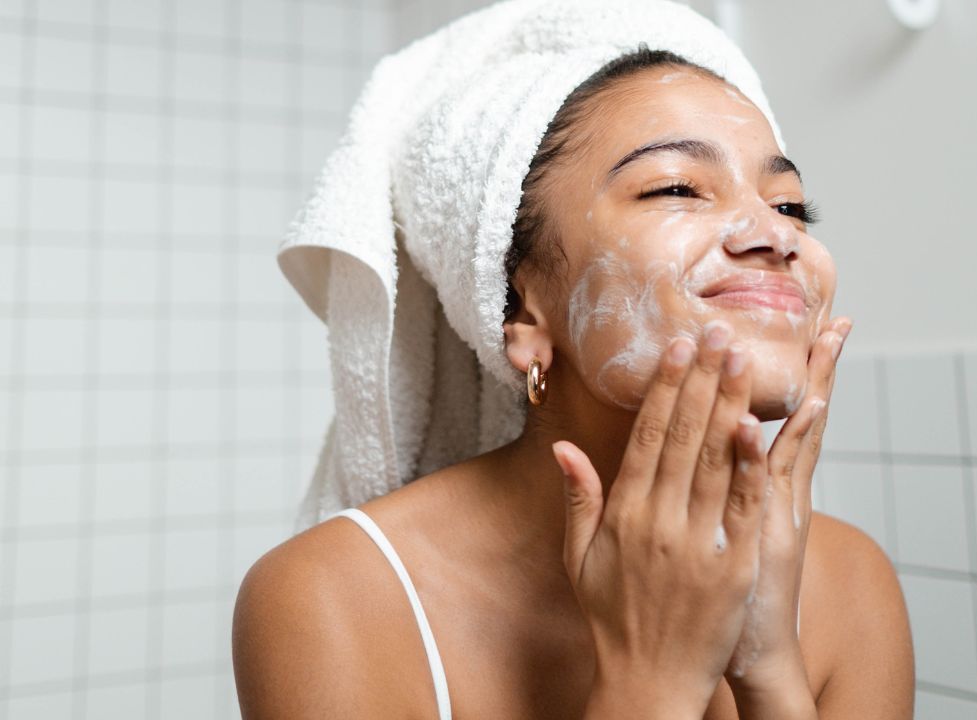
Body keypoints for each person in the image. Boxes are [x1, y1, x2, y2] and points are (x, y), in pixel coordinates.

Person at [232, 17, 914, 720]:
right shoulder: (334, 598)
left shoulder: (848, 584)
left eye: (792, 206)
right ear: (524, 310)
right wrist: (651, 684)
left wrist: (769, 670)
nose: (776, 234)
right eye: (677, 188)